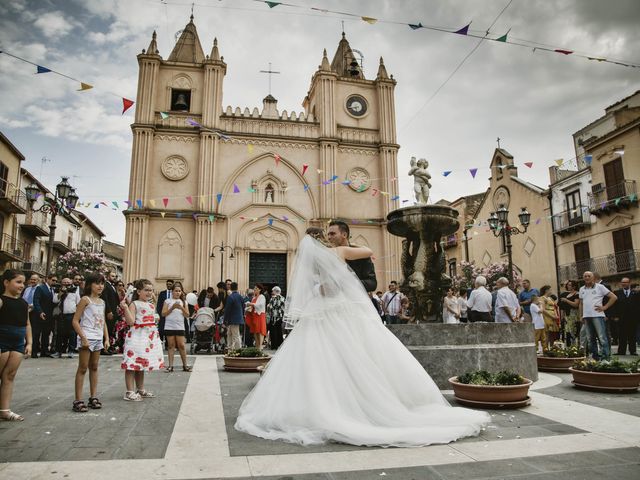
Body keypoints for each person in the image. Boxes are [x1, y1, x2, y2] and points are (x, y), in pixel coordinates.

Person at [235, 228, 490, 447]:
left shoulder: (310, 263)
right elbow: (368, 250)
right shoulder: (339, 252)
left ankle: (319, 404)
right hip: (343, 307)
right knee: (356, 351)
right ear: (324, 239)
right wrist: (347, 246)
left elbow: (317, 285)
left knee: (319, 357)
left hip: (322, 308)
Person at [71, 273, 110, 412]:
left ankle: (93, 396)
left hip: (98, 337)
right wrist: (83, 337)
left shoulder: (102, 302)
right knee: (82, 368)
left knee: (94, 367)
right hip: (87, 336)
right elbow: (75, 320)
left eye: (102, 283)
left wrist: (106, 338)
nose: (100, 286)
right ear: (90, 285)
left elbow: (103, 321)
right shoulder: (85, 300)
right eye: (97, 283)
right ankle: (78, 399)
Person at [121, 279, 165, 401]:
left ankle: (140, 389)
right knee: (132, 363)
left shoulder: (151, 305)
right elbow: (130, 322)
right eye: (146, 290)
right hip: (137, 337)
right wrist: (125, 308)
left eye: (151, 290)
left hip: (147, 338)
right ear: (139, 291)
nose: (149, 293)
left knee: (141, 364)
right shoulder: (134, 304)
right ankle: (129, 391)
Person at [0, 269, 31, 421]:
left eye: (23, 283)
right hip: (3, 340)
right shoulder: (1, 300)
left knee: (9, 376)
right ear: (6, 282)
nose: (22, 285)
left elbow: (27, 323)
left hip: (18, 342)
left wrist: (29, 342)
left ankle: (4, 409)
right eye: (18, 282)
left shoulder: (23, 303)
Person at [327, 220, 377, 292]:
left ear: (344, 235)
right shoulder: (327, 255)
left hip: (356, 300)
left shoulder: (362, 254)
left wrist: (349, 284)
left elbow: (372, 284)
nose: (329, 237)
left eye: (332, 234)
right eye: (328, 234)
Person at [578, 271, 617, 360]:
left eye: (589, 276)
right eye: (585, 276)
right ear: (583, 278)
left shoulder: (600, 287)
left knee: (602, 337)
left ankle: (606, 358)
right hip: (586, 316)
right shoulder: (581, 289)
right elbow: (581, 303)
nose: (587, 277)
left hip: (597, 315)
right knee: (590, 339)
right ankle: (595, 357)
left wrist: (605, 307)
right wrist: (581, 315)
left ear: (593, 278)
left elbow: (614, 297)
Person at [161, 282, 191, 372]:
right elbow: (163, 313)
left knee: (181, 345)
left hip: (180, 326)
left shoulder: (184, 302)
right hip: (169, 326)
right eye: (176, 291)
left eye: (179, 291)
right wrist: (172, 308)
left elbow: (187, 315)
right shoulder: (167, 301)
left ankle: (185, 365)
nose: (178, 293)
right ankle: (170, 366)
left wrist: (181, 308)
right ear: (172, 292)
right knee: (171, 346)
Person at [32, 273, 58, 358]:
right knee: (36, 334)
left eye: (56, 281)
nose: (54, 282)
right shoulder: (40, 288)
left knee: (46, 334)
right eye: (53, 280)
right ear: (48, 279)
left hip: (49, 316)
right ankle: (34, 351)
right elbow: (36, 301)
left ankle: (44, 351)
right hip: (39, 315)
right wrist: (40, 312)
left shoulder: (53, 290)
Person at [613, 277, 637, 355]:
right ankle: (621, 351)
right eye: (622, 282)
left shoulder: (635, 293)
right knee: (621, 335)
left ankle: (633, 351)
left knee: (632, 335)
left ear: (629, 283)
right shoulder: (617, 293)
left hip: (633, 318)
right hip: (621, 318)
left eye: (626, 282)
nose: (624, 284)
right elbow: (614, 306)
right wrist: (615, 316)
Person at [57, 277, 81, 358]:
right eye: (64, 282)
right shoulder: (58, 291)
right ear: (62, 283)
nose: (66, 284)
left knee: (72, 333)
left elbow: (79, 303)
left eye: (68, 282)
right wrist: (61, 293)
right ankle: (58, 351)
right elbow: (55, 300)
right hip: (61, 315)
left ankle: (71, 350)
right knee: (59, 333)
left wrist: (77, 315)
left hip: (71, 315)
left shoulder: (74, 292)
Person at [100, 270, 120, 355]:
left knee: (110, 330)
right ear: (108, 276)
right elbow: (105, 299)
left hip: (114, 311)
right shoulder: (106, 286)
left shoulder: (112, 286)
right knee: (106, 329)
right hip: (109, 312)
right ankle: (104, 348)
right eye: (112, 276)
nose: (114, 278)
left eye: (115, 276)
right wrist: (109, 311)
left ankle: (108, 347)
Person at [245, 284, 267, 350]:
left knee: (260, 331)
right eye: (254, 288)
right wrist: (247, 308)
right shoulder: (254, 298)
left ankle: (260, 346)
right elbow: (252, 307)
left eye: (256, 288)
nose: (254, 290)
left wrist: (251, 304)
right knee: (255, 331)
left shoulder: (262, 296)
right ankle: (257, 346)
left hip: (260, 315)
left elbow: (260, 305)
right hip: (254, 316)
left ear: (260, 290)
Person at [559, 280, 580, 346]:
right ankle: (568, 346)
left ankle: (575, 346)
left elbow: (576, 304)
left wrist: (566, 300)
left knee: (573, 330)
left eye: (570, 285)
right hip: (567, 315)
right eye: (568, 285)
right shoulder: (567, 294)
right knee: (567, 331)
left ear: (574, 286)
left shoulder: (577, 294)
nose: (568, 286)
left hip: (574, 314)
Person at [225, 282, 244, 351]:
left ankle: (238, 349)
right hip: (237, 318)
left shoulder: (230, 297)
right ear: (237, 288)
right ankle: (230, 348)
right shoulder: (240, 296)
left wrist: (225, 320)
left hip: (232, 319)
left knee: (235, 335)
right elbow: (243, 307)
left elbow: (227, 309)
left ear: (230, 288)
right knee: (229, 333)